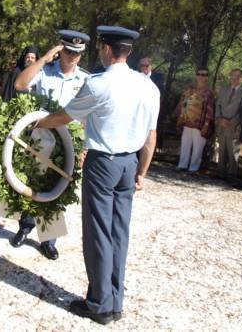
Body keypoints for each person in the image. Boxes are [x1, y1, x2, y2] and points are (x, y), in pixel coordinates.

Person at [35, 25, 160, 325]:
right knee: (119, 233)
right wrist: (141, 173)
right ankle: (115, 301)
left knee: (98, 234)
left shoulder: (99, 84)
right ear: (128, 52)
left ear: (106, 49)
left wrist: (40, 124)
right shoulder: (148, 87)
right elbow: (151, 137)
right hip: (129, 163)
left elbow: (65, 116)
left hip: (103, 163)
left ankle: (99, 304)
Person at [11, 30, 90, 260]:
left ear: (81, 55)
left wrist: (84, 148)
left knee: (58, 191)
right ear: (60, 49)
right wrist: (44, 59)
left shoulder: (86, 80)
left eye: (76, 53)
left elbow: (88, 118)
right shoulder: (45, 72)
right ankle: (25, 227)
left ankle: (49, 240)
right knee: (31, 183)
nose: (71, 56)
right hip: (39, 139)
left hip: (68, 145)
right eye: (67, 51)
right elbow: (20, 84)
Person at [175, 67, 216, 172]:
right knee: (185, 144)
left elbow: (210, 110)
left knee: (198, 147)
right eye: (199, 74)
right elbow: (181, 104)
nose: (201, 77)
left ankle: (193, 168)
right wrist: (180, 117)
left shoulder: (209, 93)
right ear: (196, 75)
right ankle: (182, 165)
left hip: (200, 124)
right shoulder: (189, 90)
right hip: (186, 121)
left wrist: (206, 125)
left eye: (204, 75)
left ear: (207, 78)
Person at [215, 68, 242, 180]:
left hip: (234, 126)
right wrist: (219, 118)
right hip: (221, 124)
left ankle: (231, 175)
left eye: (237, 76)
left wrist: (233, 121)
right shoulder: (224, 89)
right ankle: (220, 173)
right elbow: (218, 105)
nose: (234, 78)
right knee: (221, 150)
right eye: (232, 76)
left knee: (232, 151)